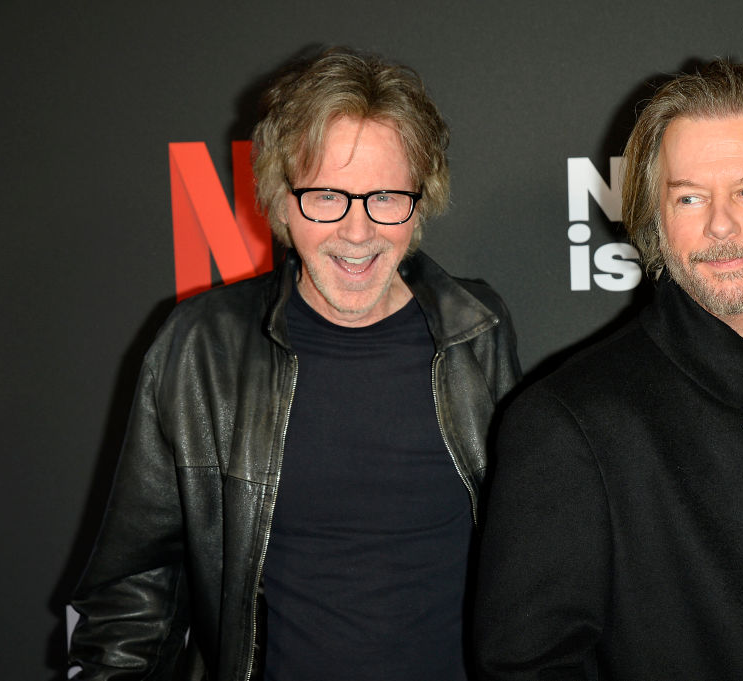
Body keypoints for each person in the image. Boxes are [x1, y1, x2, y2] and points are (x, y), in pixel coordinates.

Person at [69, 47, 520, 681]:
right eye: (326, 197)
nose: (357, 232)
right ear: (281, 202)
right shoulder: (204, 348)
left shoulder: (478, 332)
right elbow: (133, 599)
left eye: (386, 196)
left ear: (420, 203)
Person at [475, 59, 743, 681]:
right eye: (689, 197)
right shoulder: (567, 422)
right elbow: (526, 667)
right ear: (657, 225)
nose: (719, 224)